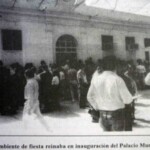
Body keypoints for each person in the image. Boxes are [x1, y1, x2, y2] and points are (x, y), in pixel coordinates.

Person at [87, 56, 133, 131]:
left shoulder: (96, 79)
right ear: (115, 66)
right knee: (117, 140)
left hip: (102, 114)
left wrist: (97, 106)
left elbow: (89, 96)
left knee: (107, 139)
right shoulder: (117, 79)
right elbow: (127, 100)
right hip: (117, 114)